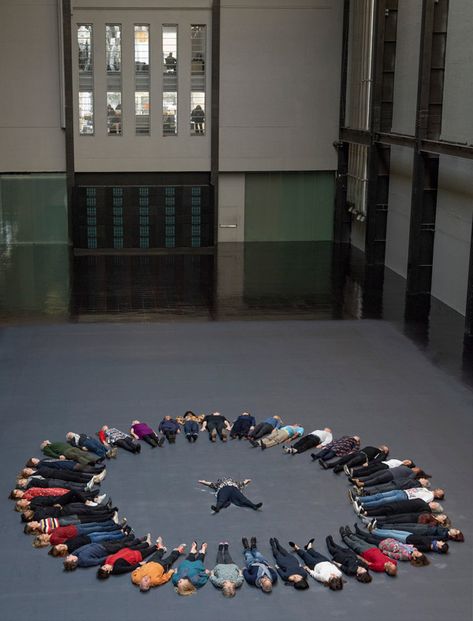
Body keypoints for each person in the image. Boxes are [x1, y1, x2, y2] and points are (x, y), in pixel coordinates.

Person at [350, 525, 430, 566]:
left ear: (415, 558)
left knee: (369, 540)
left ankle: (356, 535)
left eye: (418, 554)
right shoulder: (413, 548)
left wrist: (384, 551)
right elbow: (404, 544)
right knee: (373, 536)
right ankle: (359, 532)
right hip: (390, 541)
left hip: (385, 546)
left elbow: (394, 555)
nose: (417, 552)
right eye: (419, 552)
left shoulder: (406, 556)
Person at [63, 535, 149, 570]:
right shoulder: (84, 561)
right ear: (73, 561)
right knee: (123, 546)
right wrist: (111, 556)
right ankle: (139, 541)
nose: (67, 556)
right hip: (106, 550)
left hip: (99, 545)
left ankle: (131, 537)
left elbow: (80, 548)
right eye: (68, 558)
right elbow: (98, 561)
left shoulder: (76, 554)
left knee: (118, 541)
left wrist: (93, 544)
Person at [97, 535, 162, 578]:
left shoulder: (104, 563)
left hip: (125, 551)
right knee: (146, 551)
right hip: (134, 557)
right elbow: (129, 568)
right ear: (108, 571)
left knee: (137, 547)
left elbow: (104, 562)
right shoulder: (116, 569)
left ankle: (148, 543)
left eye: (103, 567)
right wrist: (139, 564)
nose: (104, 566)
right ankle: (157, 546)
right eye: (105, 568)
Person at [360, 524, 449, 553]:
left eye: (442, 543)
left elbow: (415, 547)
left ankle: (373, 531)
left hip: (406, 539)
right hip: (410, 535)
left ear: (440, 547)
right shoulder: (432, 541)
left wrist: (406, 544)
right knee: (393, 530)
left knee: (390, 534)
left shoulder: (428, 547)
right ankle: (376, 529)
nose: (441, 541)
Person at [33, 519, 124, 548]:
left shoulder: (50, 532)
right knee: (98, 529)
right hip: (77, 532)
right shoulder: (53, 540)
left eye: (41, 534)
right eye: (41, 536)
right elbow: (67, 540)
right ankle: (117, 527)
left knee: (95, 524)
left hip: (75, 527)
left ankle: (112, 523)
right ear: (44, 540)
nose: (42, 534)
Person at [350, 486, 445, 511]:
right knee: (380, 495)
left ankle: (363, 505)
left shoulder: (430, 497)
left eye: (440, 492)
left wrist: (408, 500)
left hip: (405, 497)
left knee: (383, 501)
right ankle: (359, 499)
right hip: (403, 491)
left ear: (439, 496)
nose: (439, 490)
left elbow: (420, 501)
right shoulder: (426, 489)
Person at [198, 478, 262, 513]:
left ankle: (254, 506)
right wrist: (204, 482)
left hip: (234, 489)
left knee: (242, 498)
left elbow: (242, 484)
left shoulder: (235, 483)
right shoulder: (219, 484)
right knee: (221, 500)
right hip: (224, 489)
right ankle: (217, 508)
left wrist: (246, 481)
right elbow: (211, 484)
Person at [354, 497, 444, 518]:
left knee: (383, 510)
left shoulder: (426, 510)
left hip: (401, 509)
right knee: (383, 506)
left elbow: (415, 514)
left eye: (434, 504)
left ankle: (365, 513)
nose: (432, 503)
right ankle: (364, 509)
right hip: (401, 504)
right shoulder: (423, 502)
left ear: (434, 509)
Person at [351, 464, 429, 488]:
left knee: (378, 479)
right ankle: (359, 480)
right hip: (389, 470)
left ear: (418, 472)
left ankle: (363, 484)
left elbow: (408, 479)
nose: (416, 468)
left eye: (417, 469)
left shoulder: (413, 473)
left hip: (392, 475)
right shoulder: (407, 467)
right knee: (372, 475)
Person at [325, 445, 389, 472]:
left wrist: (368, 463)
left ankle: (338, 469)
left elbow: (377, 460)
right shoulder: (371, 447)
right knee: (343, 459)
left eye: (385, 448)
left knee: (351, 462)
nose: (383, 447)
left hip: (364, 456)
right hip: (358, 453)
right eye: (383, 447)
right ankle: (329, 465)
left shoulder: (380, 453)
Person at [25, 457, 104, 474]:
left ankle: (97, 469)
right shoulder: (40, 466)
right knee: (81, 468)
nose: (35, 458)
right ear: (33, 463)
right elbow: (51, 469)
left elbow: (54, 459)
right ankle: (97, 471)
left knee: (81, 465)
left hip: (65, 462)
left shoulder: (43, 460)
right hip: (63, 467)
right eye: (33, 460)